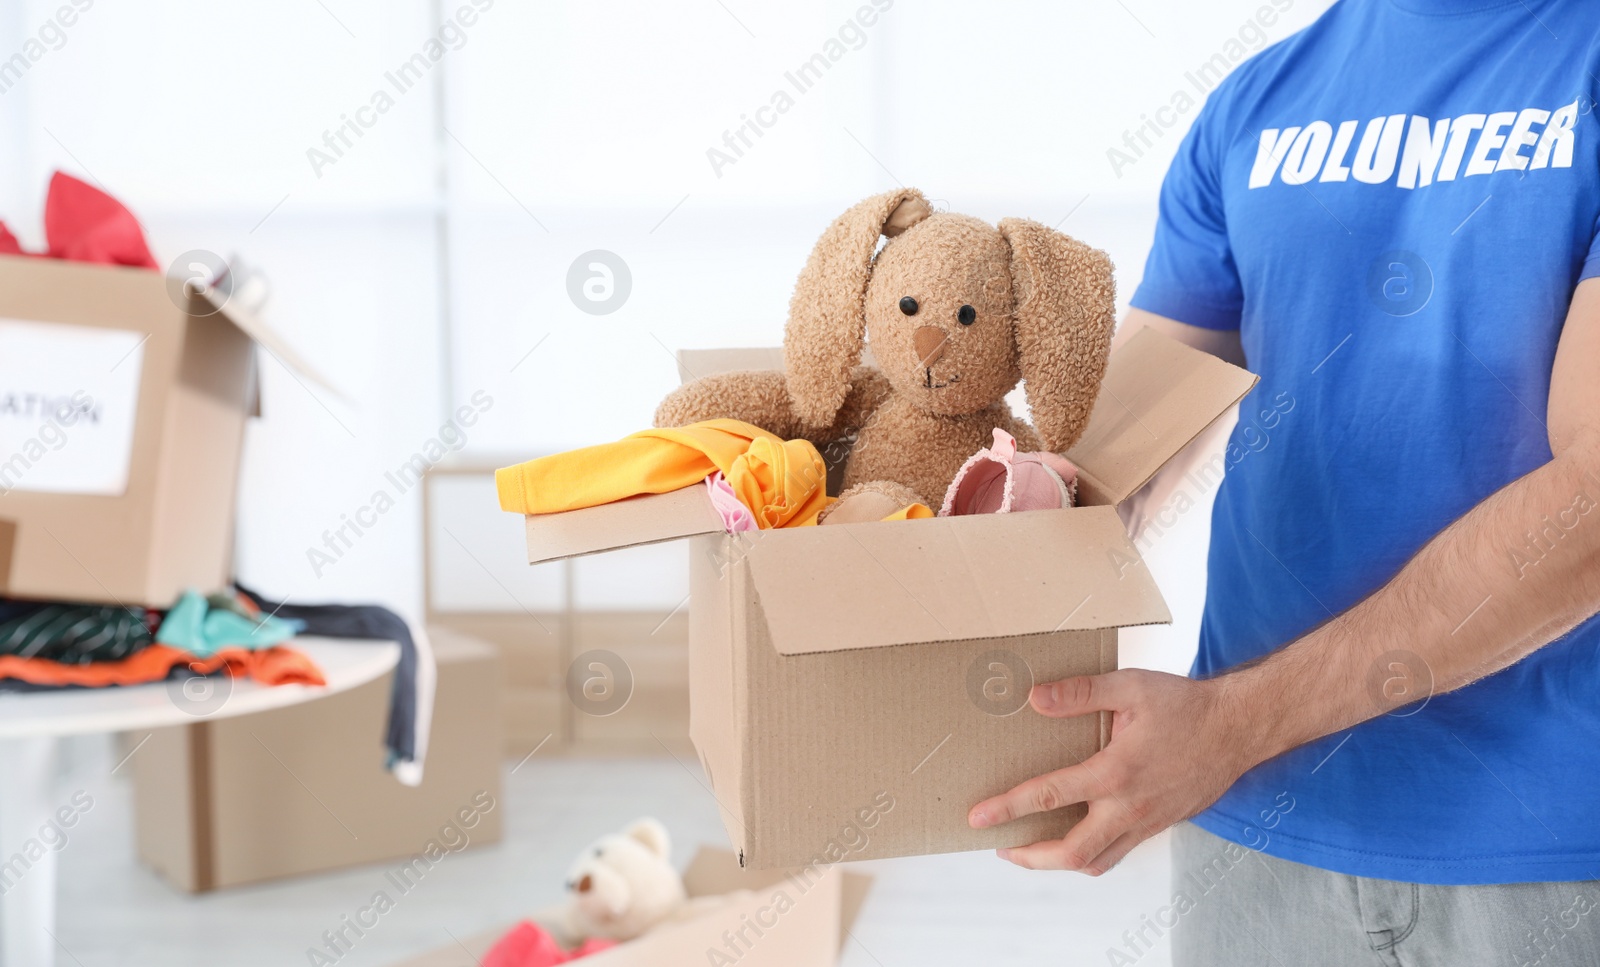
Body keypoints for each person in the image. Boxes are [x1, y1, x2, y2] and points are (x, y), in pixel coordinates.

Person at [967, 0, 1600, 962]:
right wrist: (951, 514)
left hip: (1544, 845)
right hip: (1250, 826)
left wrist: (1229, 724)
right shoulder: (1255, 102)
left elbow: (1591, 507)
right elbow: (1118, 444)